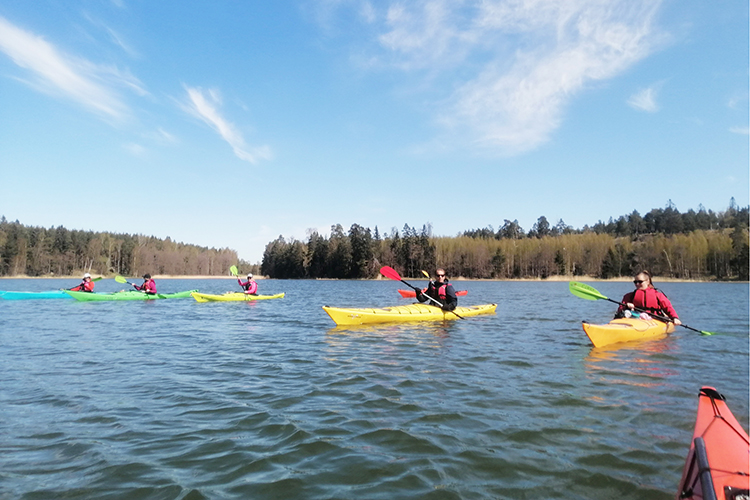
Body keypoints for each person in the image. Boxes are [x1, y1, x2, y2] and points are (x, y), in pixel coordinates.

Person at [615, 270, 681, 325]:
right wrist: (626, 306)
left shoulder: (658, 295)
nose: (637, 284)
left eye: (640, 282)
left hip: (655, 319)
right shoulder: (629, 296)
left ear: (647, 281)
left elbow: (668, 307)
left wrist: (675, 318)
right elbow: (620, 310)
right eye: (635, 282)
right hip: (636, 319)